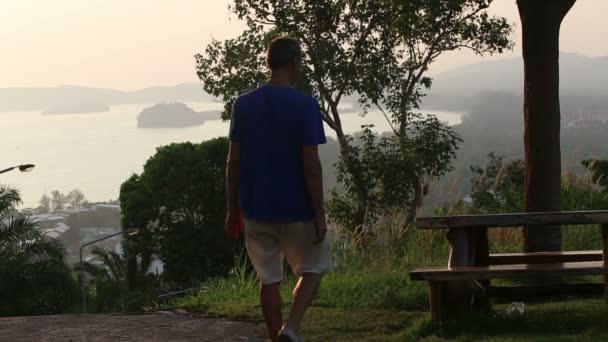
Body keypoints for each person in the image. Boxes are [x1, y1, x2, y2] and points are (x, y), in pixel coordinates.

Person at [225, 36, 331, 342]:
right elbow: (311, 164)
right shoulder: (305, 105)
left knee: (269, 278)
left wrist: (233, 208)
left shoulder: (244, 104)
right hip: (298, 208)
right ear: (295, 62)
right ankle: (291, 328)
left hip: (256, 208)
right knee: (313, 268)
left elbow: (234, 160)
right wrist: (319, 212)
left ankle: (276, 338)